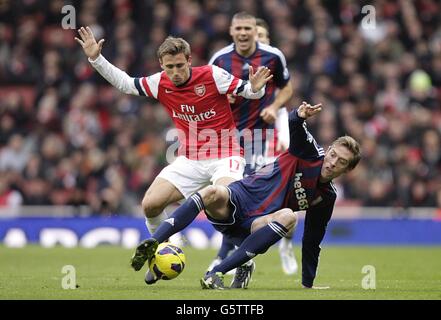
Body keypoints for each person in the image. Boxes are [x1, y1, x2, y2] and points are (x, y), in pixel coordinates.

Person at [74, 26, 273, 281]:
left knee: (225, 205)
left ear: (189, 60)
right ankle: (162, 255)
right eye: (170, 67)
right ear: (162, 64)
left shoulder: (212, 75)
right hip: (190, 159)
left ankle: (243, 260)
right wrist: (96, 59)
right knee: (150, 204)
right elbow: (125, 84)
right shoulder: (160, 82)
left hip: (226, 156)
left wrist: (256, 88)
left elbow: (249, 90)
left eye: (180, 65)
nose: (175, 72)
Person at [134, 101, 361, 289]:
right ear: (328, 150)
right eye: (333, 155)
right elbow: (294, 125)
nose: (332, 163)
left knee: (288, 217)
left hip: (255, 225)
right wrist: (299, 115)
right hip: (240, 199)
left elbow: (313, 240)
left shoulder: (326, 197)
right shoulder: (310, 153)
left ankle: (216, 273)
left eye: (341, 162)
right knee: (213, 191)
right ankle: (154, 242)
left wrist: (307, 285)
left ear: (348, 170)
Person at [207, 13, 297, 277]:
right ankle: (229, 258)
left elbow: (286, 89)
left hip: (268, 137)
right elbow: (210, 93)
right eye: (243, 29)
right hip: (232, 139)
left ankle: (287, 243)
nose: (250, 35)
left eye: (255, 32)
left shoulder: (273, 57)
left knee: (279, 202)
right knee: (235, 197)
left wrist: (275, 107)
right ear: (233, 31)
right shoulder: (221, 60)